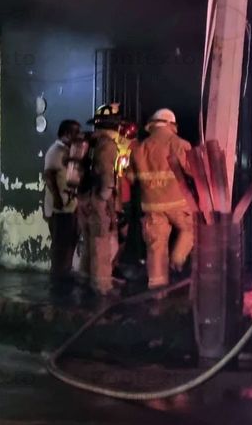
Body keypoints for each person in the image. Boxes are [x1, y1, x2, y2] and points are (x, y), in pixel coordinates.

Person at [127, 108, 193, 291]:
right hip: (178, 204)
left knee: (156, 248)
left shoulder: (139, 148)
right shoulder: (180, 144)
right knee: (192, 228)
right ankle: (177, 261)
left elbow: (130, 178)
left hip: (151, 206)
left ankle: (157, 291)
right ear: (171, 124)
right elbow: (193, 172)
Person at [79, 105, 123, 298]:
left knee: (89, 240)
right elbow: (106, 174)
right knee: (101, 242)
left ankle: (85, 278)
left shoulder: (90, 142)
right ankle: (102, 285)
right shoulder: (108, 145)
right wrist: (106, 199)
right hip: (97, 198)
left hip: (84, 197)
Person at [43, 120, 82, 281]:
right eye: (75, 132)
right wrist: (58, 199)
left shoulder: (67, 151)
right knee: (61, 246)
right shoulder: (56, 151)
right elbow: (49, 175)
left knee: (69, 243)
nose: (78, 136)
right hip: (60, 209)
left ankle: (64, 274)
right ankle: (58, 279)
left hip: (69, 207)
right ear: (66, 133)